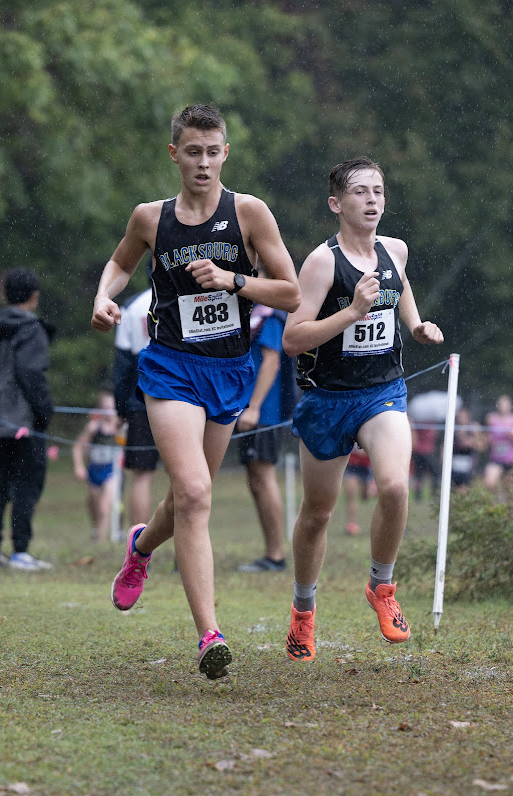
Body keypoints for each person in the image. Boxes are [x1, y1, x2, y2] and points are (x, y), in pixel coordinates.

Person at [91, 103, 300, 680]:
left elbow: (291, 294)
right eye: (193, 152)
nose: (203, 163)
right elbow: (118, 266)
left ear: (225, 153)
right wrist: (102, 299)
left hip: (228, 370)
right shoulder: (150, 218)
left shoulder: (250, 213)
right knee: (194, 491)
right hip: (170, 367)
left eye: (213, 152)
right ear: (174, 154)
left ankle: (140, 549)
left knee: (188, 498)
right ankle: (210, 634)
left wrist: (234, 279)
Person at [282, 157, 443, 662]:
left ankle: (382, 588)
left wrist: (414, 324)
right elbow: (292, 338)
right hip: (327, 398)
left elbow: (400, 289)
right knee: (318, 513)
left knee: (395, 485)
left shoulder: (395, 249)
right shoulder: (322, 263)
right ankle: (303, 612)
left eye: (378, 191)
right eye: (359, 192)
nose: (372, 200)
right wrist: (350, 312)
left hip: (382, 391)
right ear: (336, 204)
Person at [0, 268, 54, 570]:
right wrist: (44, 411)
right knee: (27, 482)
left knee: (0, 482)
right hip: (25, 421)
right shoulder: (31, 329)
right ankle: (20, 551)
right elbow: (30, 373)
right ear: (34, 296)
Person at [236, 295, 287, 572]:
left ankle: (276, 555)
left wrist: (254, 408)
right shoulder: (251, 311)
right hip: (244, 409)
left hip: (263, 412)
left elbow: (271, 361)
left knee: (264, 478)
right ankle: (271, 552)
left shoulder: (269, 313)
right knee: (255, 479)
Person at [113, 277, 160, 528]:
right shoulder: (188, 297)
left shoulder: (133, 306)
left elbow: (123, 364)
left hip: (141, 399)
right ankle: (183, 554)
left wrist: (121, 407)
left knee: (142, 476)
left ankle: (138, 550)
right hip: (185, 398)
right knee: (184, 479)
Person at [72, 384, 120, 541]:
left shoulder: (119, 428)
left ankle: (101, 540)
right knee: (93, 504)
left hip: (111, 471)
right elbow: (77, 447)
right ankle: (96, 529)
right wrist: (79, 466)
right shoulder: (93, 428)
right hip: (94, 470)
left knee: (104, 507)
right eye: (105, 407)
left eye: (111, 407)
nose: (109, 411)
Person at [483, 394, 513, 494]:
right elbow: (486, 435)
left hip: (510, 458)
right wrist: (488, 440)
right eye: (501, 403)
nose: (503, 406)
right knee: (489, 483)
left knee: (509, 488)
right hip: (495, 458)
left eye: (505, 404)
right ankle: (495, 502)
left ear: (510, 406)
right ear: (497, 405)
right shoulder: (490, 418)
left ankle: (507, 507)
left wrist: (511, 435)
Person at [342, 444, 376, 536]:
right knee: (350, 492)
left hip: (366, 467)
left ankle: (373, 492)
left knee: (366, 496)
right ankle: (352, 524)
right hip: (351, 465)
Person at [451, 406, 485, 492]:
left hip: (469, 467)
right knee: (454, 491)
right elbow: (443, 447)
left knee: (464, 490)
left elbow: (482, 447)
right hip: (453, 467)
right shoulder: (452, 429)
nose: (462, 419)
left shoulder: (473, 429)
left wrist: (473, 440)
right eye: (460, 416)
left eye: (464, 416)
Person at [410, 421, 440, 501]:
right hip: (426, 452)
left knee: (419, 476)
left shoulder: (419, 421)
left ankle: (419, 497)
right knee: (434, 475)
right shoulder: (426, 423)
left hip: (419, 452)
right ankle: (433, 495)